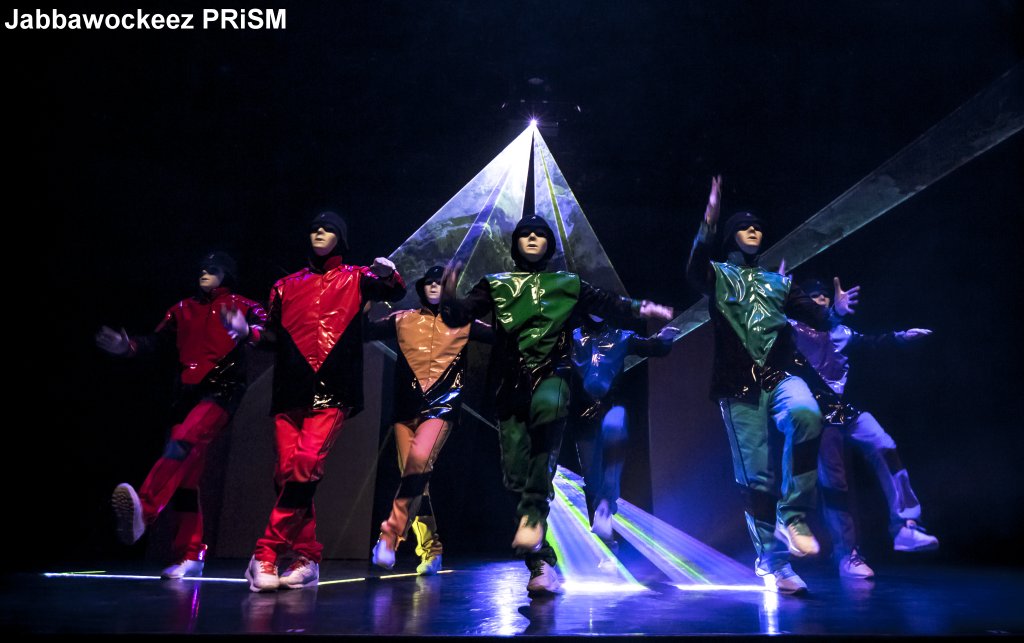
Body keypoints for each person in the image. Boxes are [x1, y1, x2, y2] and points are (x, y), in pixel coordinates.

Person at [441, 214, 674, 594]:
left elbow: (609, 302)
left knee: (548, 415)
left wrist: (642, 308)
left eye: (540, 234)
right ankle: (541, 563)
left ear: (549, 244)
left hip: (553, 377)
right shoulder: (496, 284)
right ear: (516, 243)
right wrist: (450, 296)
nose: (533, 239)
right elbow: (458, 316)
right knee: (514, 475)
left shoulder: (567, 283)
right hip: (509, 386)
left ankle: (536, 518)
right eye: (526, 234)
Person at [221, 211, 406, 592]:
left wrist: (390, 275)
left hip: (333, 390)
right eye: (315, 229)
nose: (319, 233)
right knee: (286, 472)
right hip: (290, 389)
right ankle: (307, 556)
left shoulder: (357, 277)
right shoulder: (285, 286)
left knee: (306, 464)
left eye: (328, 229)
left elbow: (393, 291)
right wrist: (247, 333)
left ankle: (266, 552)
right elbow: (272, 336)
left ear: (342, 238)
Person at [685, 176, 843, 594]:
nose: (754, 230)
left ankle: (794, 516)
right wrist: (710, 219)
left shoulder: (778, 282)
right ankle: (773, 562)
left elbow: (817, 317)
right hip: (738, 385)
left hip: (781, 374)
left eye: (758, 226)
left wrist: (837, 312)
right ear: (731, 236)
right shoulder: (718, 275)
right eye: (745, 226)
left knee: (806, 414)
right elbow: (694, 266)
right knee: (757, 477)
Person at [100, 252, 267, 579]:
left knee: (181, 442)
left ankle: (145, 510)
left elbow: (269, 332)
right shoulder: (181, 309)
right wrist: (127, 347)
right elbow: (156, 342)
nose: (204, 272)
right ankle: (190, 553)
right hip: (185, 395)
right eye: (202, 268)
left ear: (227, 274)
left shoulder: (243, 305)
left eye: (213, 269)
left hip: (221, 391)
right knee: (186, 476)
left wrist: (247, 330)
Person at [792, 276, 939, 579]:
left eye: (824, 297)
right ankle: (847, 553)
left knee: (884, 445)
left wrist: (901, 337)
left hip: (846, 410)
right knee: (835, 483)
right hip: (818, 414)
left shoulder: (841, 332)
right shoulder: (795, 330)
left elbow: (873, 342)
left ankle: (906, 526)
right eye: (814, 298)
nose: (822, 300)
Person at [366, 265, 493, 575]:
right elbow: (364, 332)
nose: (434, 286)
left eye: (440, 282)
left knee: (418, 464)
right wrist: (366, 294)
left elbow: (503, 337)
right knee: (415, 482)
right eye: (429, 282)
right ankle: (432, 548)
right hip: (404, 412)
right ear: (421, 287)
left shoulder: (463, 322)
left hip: (441, 409)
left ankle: (389, 535)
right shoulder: (403, 319)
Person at [569, 315, 676, 543]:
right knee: (591, 475)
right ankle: (601, 524)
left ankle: (606, 504)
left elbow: (649, 346)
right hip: (582, 413)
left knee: (612, 463)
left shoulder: (620, 336)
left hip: (612, 408)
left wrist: (663, 340)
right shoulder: (573, 337)